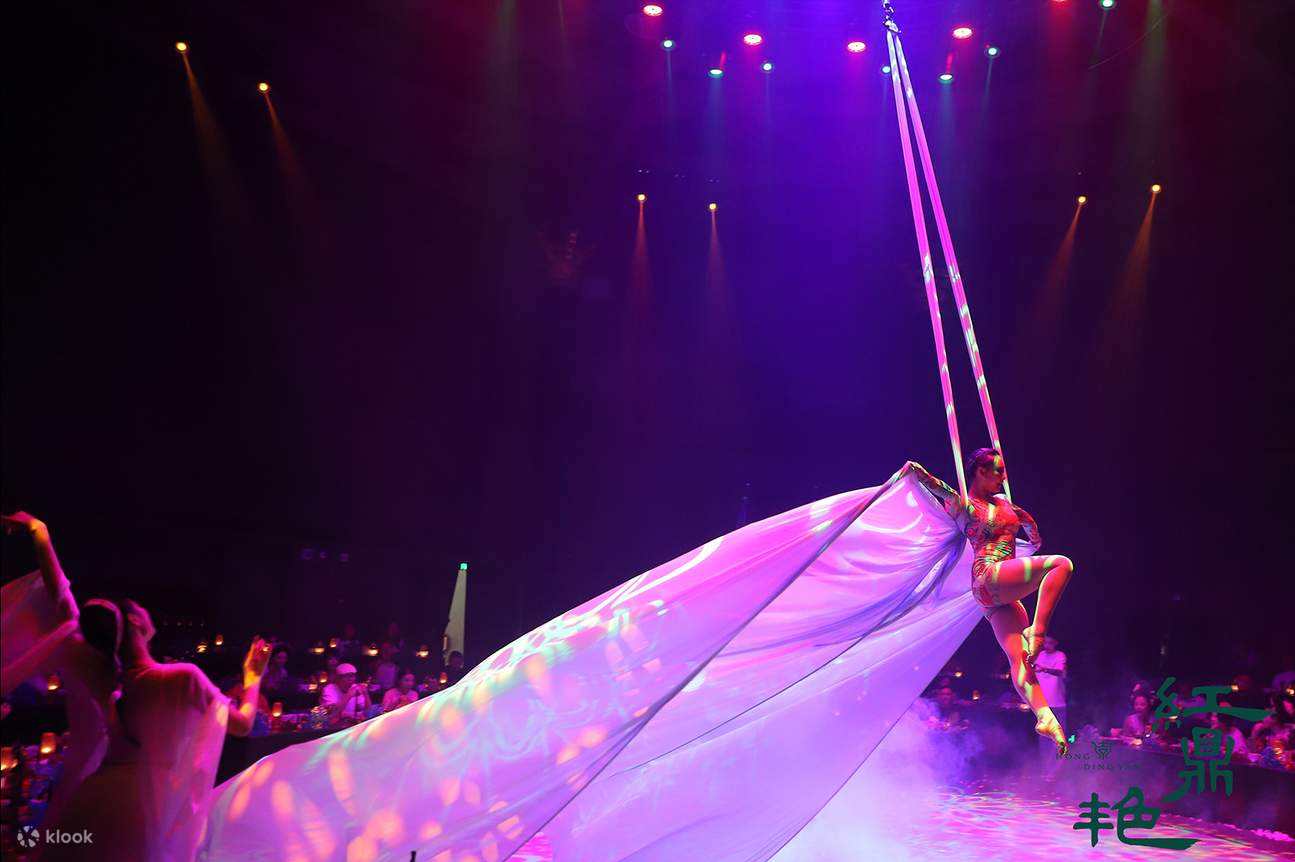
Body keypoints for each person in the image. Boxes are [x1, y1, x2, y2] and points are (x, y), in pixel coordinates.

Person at [40, 594, 270, 862]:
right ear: (134, 619)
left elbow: (63, 606)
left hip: (95, 795)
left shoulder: (107, 680)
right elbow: (242, 725)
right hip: (149, 805)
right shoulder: (183, 676)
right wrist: (253, 677)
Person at [909, 450, 1075, 754]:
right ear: (980, 472)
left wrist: (1032, 538)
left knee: (1020, 658)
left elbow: (1032, 530)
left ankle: (1044, 716)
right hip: (988, 576)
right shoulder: (964, 505)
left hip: (996, 594)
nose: (1003, 476)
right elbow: (935, 485)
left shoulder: (1007, 506)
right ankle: (1038, 632)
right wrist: (917, 472)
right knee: (1061, 564)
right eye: (997, 470)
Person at [0, 512, 118, 836]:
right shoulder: (89, 656)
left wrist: (39, 530)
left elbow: (61, 593)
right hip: (101, 766)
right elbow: (59, 590)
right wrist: (39, 531)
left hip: (89, 761)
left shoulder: (84, 655)